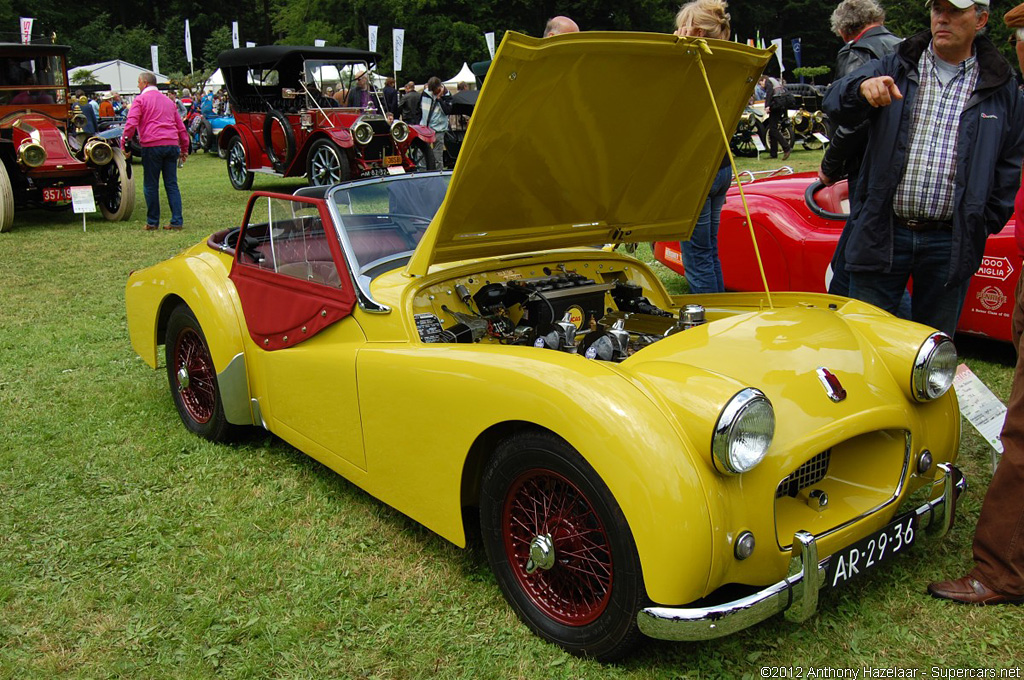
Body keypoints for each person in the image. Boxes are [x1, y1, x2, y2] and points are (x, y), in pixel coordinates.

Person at [823, 0, 1024, 337]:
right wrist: (859, 90)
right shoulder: (898, 63)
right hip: (882, 231)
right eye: (937, 9)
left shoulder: (1001, 84)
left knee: (931, 353)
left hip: (950, 239)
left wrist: (980, 220)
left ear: (981, 19)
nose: (942, 17)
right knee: (868, 345)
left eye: (955, 10)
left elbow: (1009, 163)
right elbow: (834, 102)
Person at [927, 1, 1024, 607]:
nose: (1022, 45)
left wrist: (977, 223)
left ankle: (1002, 571)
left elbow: (1006, 168)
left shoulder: (1003, 91)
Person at [819, 0, 902, 299]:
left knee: (864, 259)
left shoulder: (858, 52)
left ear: (843, 30)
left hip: (869, 166)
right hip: (897, 162)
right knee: (853, 257)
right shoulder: (903, 47)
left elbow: (853, 120)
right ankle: (837, 310)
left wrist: (830, 165)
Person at [674, 0, 733, 294]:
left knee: (698, 257)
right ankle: (721, 311)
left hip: (697, 173)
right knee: (708, 251)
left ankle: (709, 320)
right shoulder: (730, 63)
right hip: (721, 167)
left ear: (694, 30)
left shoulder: (685, 66)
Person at [122, 71, 189, 231]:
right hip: (171, 144)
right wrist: (184, 148)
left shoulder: (140, 100)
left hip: (152, 144)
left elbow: (131, 124)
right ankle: (177, 220)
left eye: (138, 83)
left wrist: (124, 143)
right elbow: (181, 127)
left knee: (151, 184)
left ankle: (153, 221)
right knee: (171, 184)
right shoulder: (168, 101)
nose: (138, 86)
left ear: (144, 83)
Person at [420, 77, 450, 168]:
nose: (433, 92)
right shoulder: (425, 93)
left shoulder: (447, 95)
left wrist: (439, 98)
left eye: (434, 90)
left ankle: (438, 175)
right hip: (425, 129)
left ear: (439, 87)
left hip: (439, 129)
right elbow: (419, 109)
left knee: (438, 156)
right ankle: (422, 173)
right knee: (422, 155)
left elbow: (447, 111)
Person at [763, 75, 792, 160]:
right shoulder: (775, 81)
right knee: (772, 129)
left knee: (773, 129)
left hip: (775, 106)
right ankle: (773, 153)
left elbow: (769, 92)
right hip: (781, 105)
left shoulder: (768, 81)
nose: (762, 86)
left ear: (763, 80)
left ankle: (786, 147)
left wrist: (767, 105)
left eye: (761, 84)